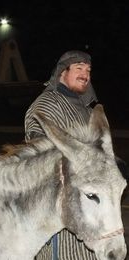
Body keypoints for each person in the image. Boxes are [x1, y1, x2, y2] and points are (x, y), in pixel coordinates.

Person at [25, 50, 98, 260]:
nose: (85, 74)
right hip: (61, 199)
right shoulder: (47, 105)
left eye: (88, 70)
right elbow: (40, 155)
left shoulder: (88, 111)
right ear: (62, 73)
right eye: (79, 69)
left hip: (91, 199)